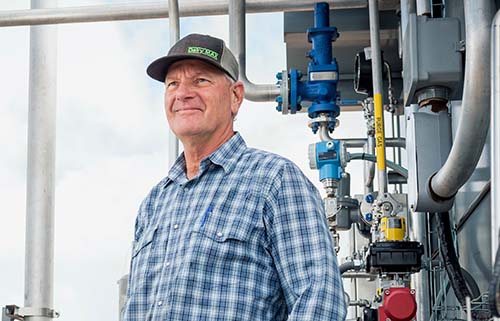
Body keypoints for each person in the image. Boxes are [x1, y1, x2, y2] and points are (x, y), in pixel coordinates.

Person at [121, 33, 347, 321]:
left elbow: (320, 302)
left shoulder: (274, 180)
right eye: (172, 84)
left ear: (235, 96)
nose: (182, 93)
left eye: (200, 80)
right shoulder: (154, 203)